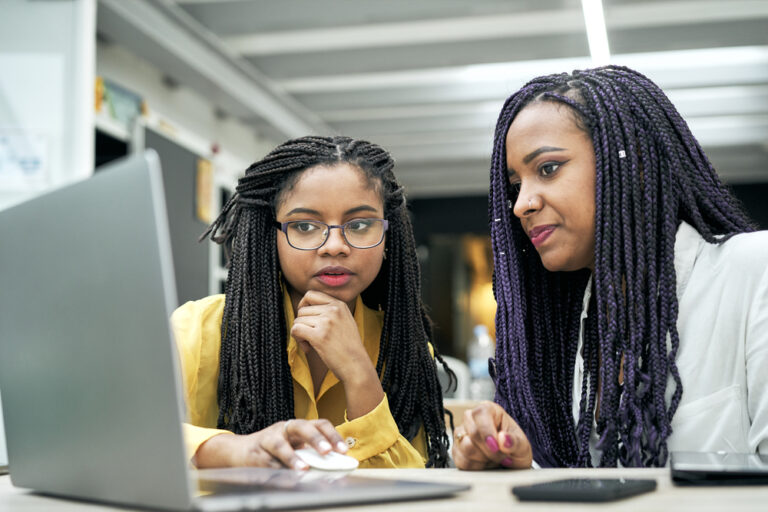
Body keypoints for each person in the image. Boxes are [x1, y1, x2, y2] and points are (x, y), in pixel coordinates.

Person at [452, 65, 768, 469]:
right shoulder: (583, 325)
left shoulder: (753, 271)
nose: (521, 204)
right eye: (516, 185)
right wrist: (519, 468)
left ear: (630, 162)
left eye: (548, 168)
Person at [171, 136, 453, 470]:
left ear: (387, 238)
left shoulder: (403, 346)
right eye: (304, 225)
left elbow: (413, 485)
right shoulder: (198, 329)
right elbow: (125, 432)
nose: (334, 245)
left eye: (360, 224)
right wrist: (236, 449)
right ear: (269, 236)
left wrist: (360, 375)